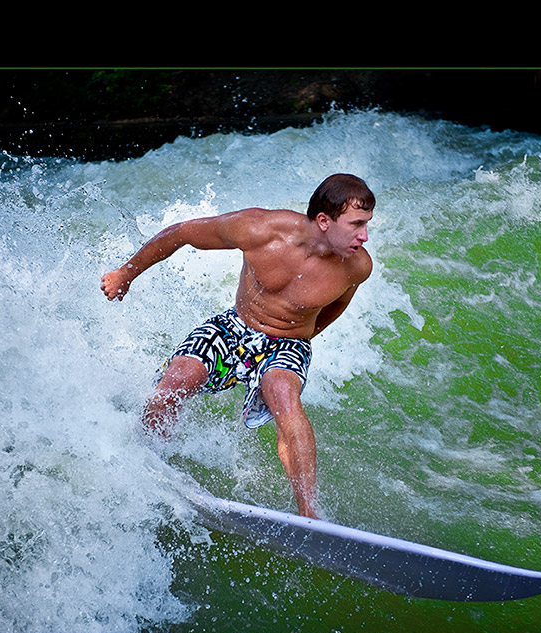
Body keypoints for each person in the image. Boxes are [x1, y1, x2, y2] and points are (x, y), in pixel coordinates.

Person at [101, 174, 375, 519]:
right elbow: (183, 233)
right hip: (234, 328)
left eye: (366, 225)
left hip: (288, 342)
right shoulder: (259, 229)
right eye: (356, 225)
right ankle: (147, 460)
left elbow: (334, 308)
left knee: (282, 393)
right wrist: (125, 274)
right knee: (176, 381)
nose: (364, 236)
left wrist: (298, 343)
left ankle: (309, 512)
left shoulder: (357, 266)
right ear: (324, 220)